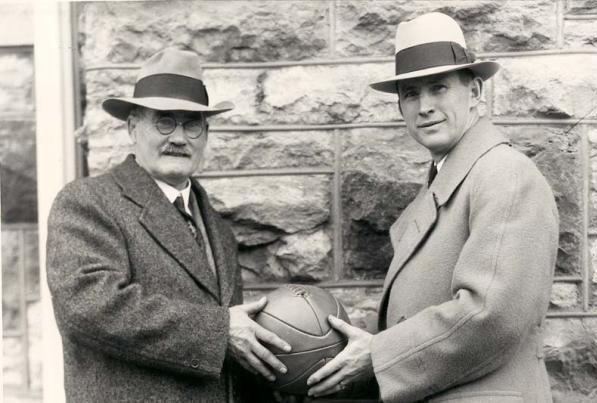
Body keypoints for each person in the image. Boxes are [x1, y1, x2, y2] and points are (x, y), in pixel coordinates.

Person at [307, 12, 559, 403]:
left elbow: (491, 316)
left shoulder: (505, 174)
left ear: (475, 91)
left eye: (439, 88)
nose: (424, 106)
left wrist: (378, 355)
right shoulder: (449, 179)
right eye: (410, 93)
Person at [46, 47, 291, 402]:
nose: (178, 138)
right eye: (164, 120)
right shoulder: (88, 201)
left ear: (205, 135)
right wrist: (220, 331)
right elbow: (88, 305)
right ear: (133, 127)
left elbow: (230, 360)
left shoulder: (217, 229)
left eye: (192, 124)